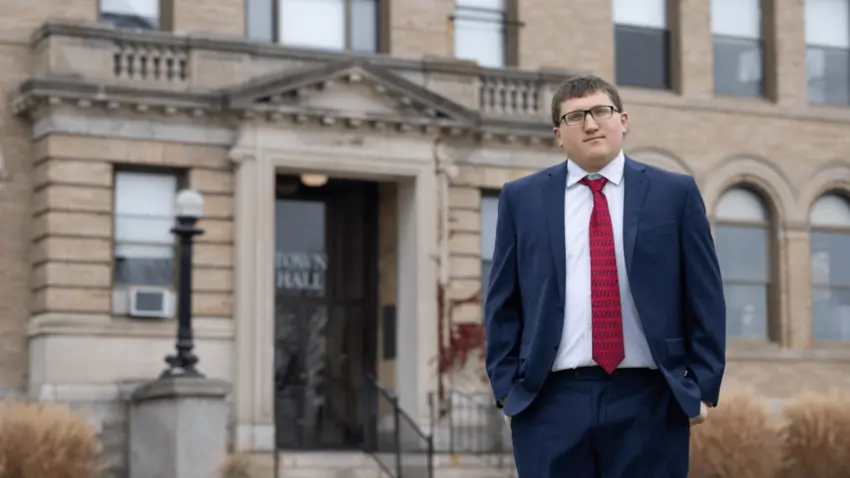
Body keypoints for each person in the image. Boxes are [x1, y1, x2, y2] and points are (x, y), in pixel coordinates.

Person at [484, 75, 726, 478]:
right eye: (575, 116)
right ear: (558, 134)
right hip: (550, 401)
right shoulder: (520, 199)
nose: (591, 124)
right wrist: (508, 390)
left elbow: (704, 294)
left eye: (601, 111)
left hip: (650, 397)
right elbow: (502, 302)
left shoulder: (675, 193)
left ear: (623, 120)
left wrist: (701, 387)